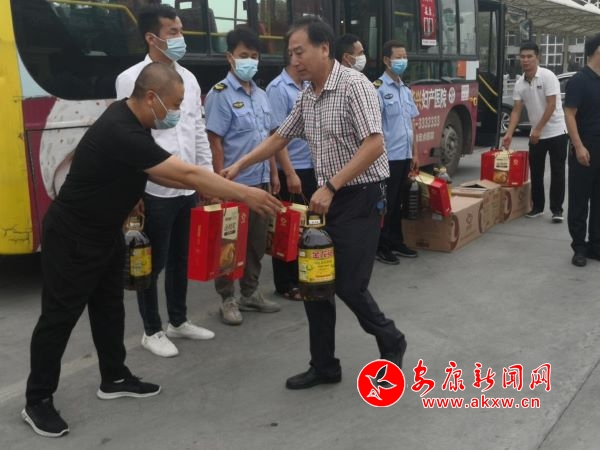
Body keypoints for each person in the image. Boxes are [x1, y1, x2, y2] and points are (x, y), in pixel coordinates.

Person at [22, 62, 281, 438]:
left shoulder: (131, 120)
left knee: (109, 307)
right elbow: (182, 172)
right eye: (174, 104)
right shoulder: (121, 129)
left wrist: (200, 186)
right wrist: (244, 193)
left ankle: (114, 377)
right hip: (73, 235)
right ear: (150, 97)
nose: (175, 112)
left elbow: (156, 172)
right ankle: (37, 401)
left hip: (105, 231)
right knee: (59, 318)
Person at [222, 17, 407, 389]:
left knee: (350, 284)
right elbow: (281, 137)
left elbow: (374, 144)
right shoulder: (308, 93)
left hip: (360, 197)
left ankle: (390, 338)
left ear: (324, 49)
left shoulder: (354, 85)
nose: (294, 60)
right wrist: (240, 165)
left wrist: (333, 185)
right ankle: (324, 365)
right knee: (315, 283)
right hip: (328, 200)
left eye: (299, 52)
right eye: (290, 54)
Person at [115, 5, 214, 358]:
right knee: (151, 263)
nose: (180, 37)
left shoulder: (189, 78)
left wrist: (207, 178)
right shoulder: (131, 79)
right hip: (154, 189)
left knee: (180, 259)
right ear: (151, 37)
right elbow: (127, 139)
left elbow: (198, 130)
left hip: (187, 187)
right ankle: (152, 329)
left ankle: (178, 320)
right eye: (173, 32)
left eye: (180, 30)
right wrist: (132, 190)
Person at [204, 27, 284, 325]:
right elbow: (215, 142)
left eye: (254, 56)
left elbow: (269, 140)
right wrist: (218, 184)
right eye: (243, 55)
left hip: (261, 183)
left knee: (255, 244)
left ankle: (250, 293)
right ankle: (227, 298)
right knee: (228, 245)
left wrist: (274, 173)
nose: (249, 61)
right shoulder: (220, 95)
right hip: (234, 186)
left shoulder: (262, 96)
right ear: (230, 57)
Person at [266, 44, 317, 301]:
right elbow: (276, 134)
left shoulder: (308, 86)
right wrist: (289, 173)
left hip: (311, 166)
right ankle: (285, 282)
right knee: (287, 227)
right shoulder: (278, 88)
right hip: (293, 169)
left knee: (307, 225)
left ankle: (304, 274)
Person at [502, 42, 568, 223]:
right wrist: (509, 133)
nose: (525, 60)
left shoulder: (548, 76)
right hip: (536, 134)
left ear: (538, 58)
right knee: (536, 172)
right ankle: (537, 207)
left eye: (529, 56)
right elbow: (516, 111)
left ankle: (557, 210)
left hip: (557, 132)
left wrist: (538, 129)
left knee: (557, 172)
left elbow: (551, 105)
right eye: (522, 57)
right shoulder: (519, 83)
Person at [373, 40, 419, 265]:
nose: (402, 61)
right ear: (386, 60)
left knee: (399, 201)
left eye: (404, 56)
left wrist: (415, 154)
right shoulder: (378, 89)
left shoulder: (405, 89)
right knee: (386, 203)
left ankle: (396, 241)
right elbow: (375, 127)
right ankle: (381, 246)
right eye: (398, 57)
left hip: (405, 155)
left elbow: (411, 124)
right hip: (387, 157)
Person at [564, 33, 600, 267]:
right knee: (580, 199)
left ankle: (595, 246)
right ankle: (579, 247)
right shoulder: (579, 80)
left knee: (598, 200)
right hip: (585, 146)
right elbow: (569, 114)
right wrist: (578, 146)